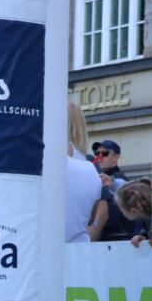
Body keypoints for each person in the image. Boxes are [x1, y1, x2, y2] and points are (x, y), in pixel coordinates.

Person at [66, 104, 101, 243]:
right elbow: (93, 217)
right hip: (80, 245)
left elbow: (100, 215)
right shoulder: (90, 166)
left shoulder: (89, 165)